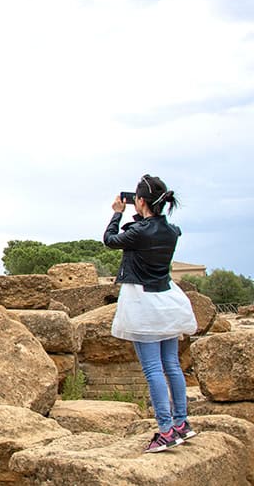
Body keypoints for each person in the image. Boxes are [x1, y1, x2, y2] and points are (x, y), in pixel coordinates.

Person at [103, 174, 198, 453]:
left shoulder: (140, 232)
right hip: (167, 301)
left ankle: (166, 431)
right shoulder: (171, 231)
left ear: (140, 201)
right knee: (172, 365)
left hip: (143, 303)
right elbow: (149, 228)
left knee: (153, 368)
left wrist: (117, 214)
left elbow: (110, 240)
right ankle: (182, 424)